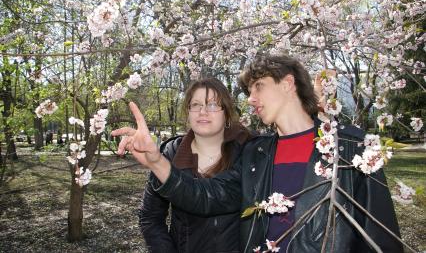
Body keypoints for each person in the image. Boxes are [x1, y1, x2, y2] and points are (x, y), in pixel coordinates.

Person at [113, 54, 402, 252]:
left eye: (259, 87)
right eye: (249, 90)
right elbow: (206, 197)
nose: (251, 99)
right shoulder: (256, 153)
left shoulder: (351, 147)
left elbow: (381, 236)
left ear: (288, 84)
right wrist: (156, 161)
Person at [113, 78, 250, 252]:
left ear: (227, 113)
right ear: (188, 112)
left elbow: (208, 198)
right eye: (196, 104)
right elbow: (150, 218)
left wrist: (158, 163)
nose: (203, 111)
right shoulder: (170, 153)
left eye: (213, 105)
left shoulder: (247, 153)